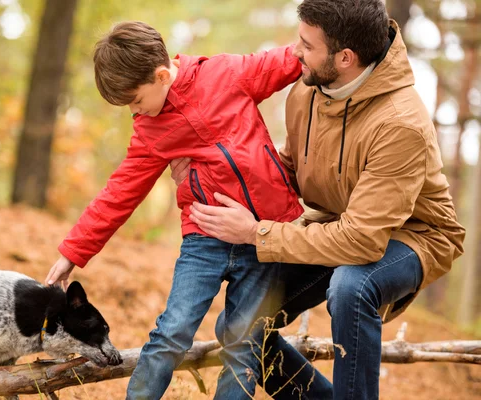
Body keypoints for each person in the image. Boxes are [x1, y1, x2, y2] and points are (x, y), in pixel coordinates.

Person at [173, 1, 466, 399]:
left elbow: (363, 241)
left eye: (307, 46)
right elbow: (291, 170)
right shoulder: (307, 92)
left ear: (345, 57)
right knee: (238, 325)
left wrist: (257, 233)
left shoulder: (400, 124)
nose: (295, 53)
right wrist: (210, 173)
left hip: (413, 236)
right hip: (337, 222)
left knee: (352, 286)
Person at [43, 21, 333, 399]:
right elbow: (119, 193)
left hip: (264, 236)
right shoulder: (150, 129)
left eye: (136, 101)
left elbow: (288, 60)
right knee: (172, 331)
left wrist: (333, 34)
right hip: (204, 241)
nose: (136, 112)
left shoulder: (226, 74)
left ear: (162, 75)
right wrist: (72, 253)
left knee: (245, 342)